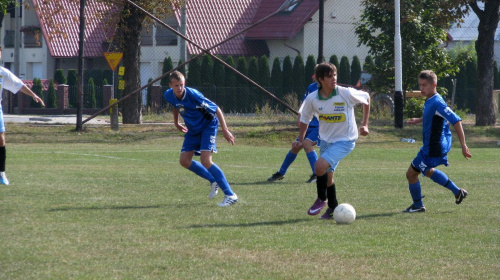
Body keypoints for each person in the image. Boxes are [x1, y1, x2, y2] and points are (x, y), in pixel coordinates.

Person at [293, 62, 370, 219]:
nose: (334, 78)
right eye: (329, 76)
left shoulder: (345, 93)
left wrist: (365, 124)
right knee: (328, 177)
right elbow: (304, 120)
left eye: (335, 75)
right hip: (326, 140)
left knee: (319, 166)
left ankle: (321, 199)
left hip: (345, 140)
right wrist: (301, 140)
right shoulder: (312, 99)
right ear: (320, 79)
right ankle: (333, 208)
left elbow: (366, 98)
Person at [164, 71, 238, 207]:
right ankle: (212, 180)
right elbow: (176, 106)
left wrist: (225, 130)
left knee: (206, 160)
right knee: (184, 161)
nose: (179, 88)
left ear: (184, 83)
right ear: (170, 85)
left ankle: (230, 195)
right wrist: (176, 123)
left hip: (207, 126)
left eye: (181, 85)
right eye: (176, 85)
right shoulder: (168, 94)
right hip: (193, 129)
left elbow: (216, 109)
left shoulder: (193, 95)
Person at [403, 70, 471, 213]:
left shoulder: (437, 102)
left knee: (411, 174)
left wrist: (464, 146)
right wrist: (419, 120)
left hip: (433, 147)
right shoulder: (430, 99)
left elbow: (456, 121)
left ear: (434, 85)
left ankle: (418, 206)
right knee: (427, 170)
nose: (421, 88)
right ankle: (457, 192)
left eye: (425, 85)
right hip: (432, 145)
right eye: (420, 85)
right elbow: (433, 116)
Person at [0, 46, 45, 185]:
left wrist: (33, 95)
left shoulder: (2, 73)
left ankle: (1, 173)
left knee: (1, 140)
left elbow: (18, 85)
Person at [268, 82, 320, 183]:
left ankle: (317, 174)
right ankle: (281, 173)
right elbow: (305, 103)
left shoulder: (328, 88)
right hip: (308, 124)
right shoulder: (311, 87)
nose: (315, 77)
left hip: (321, 125)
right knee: (295, 147)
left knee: (307, 145)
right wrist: (300, 115)